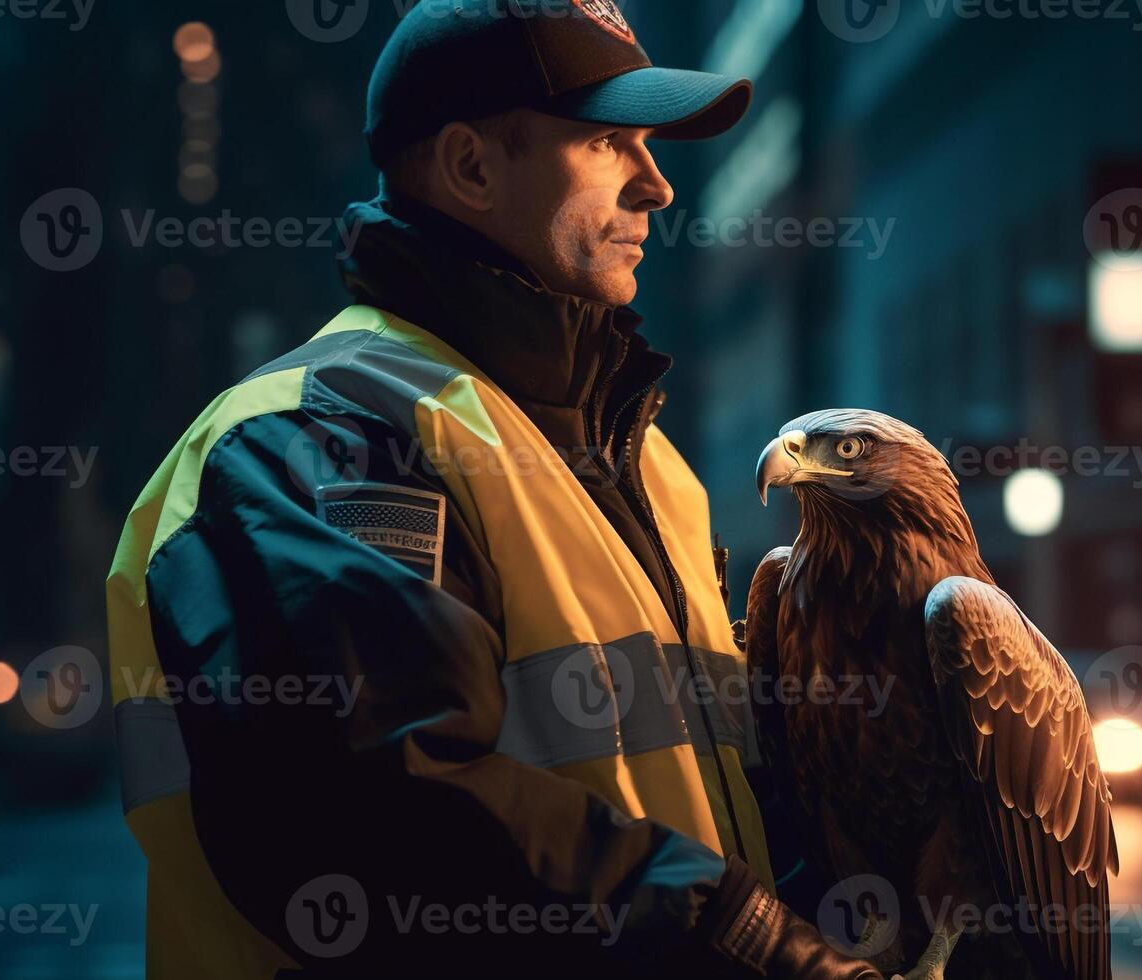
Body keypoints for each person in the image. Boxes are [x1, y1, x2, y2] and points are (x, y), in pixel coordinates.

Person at [105, 3, 883, 977]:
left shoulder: (647, 467)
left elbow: (701, 785)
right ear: (472, 167)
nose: (656, 182)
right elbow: (385, 818)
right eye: (608, 142)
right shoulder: (319, 436)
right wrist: (747, 939)